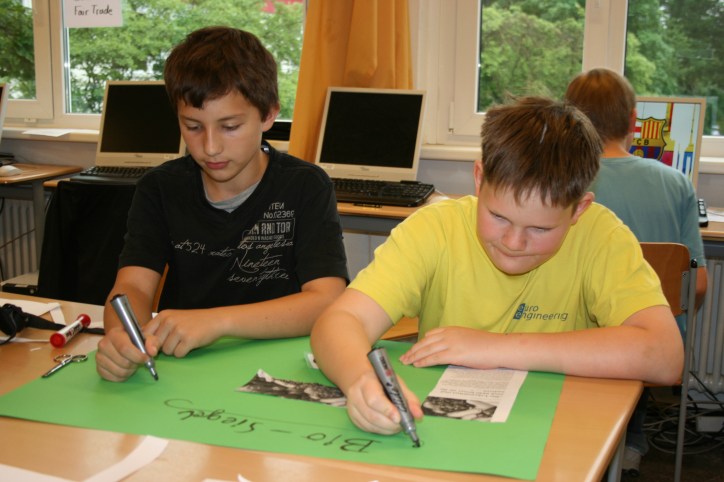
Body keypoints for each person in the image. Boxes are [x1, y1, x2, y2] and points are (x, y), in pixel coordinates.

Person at [310, 96, 684, 438]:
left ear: (579, 209)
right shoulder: (434, 229)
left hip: (555, 432)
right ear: (479, 179)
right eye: (498, 217)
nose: (513, 243)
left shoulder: (602, 236)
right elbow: (339, 322)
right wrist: (360, 381)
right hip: (447, 433)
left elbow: (665, 356)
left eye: (540, 229)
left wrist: (496, 348)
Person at [96, 26, 348, 382]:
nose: (210, 147)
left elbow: (327, 299)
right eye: (193, 127)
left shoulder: (305, 186)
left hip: (278, 369)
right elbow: (133, 286)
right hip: (185, 372)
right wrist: (122, 337)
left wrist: (219, 321)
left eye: (229, 126)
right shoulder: (160, 188)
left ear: (268, 115)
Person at [565, 67, 708, 476]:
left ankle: (590, 436)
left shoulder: (563, 181)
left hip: (577, 332)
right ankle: (632, 441)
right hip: (652, 343)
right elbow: (697, 284)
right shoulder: (676, 183)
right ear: (633, 121)